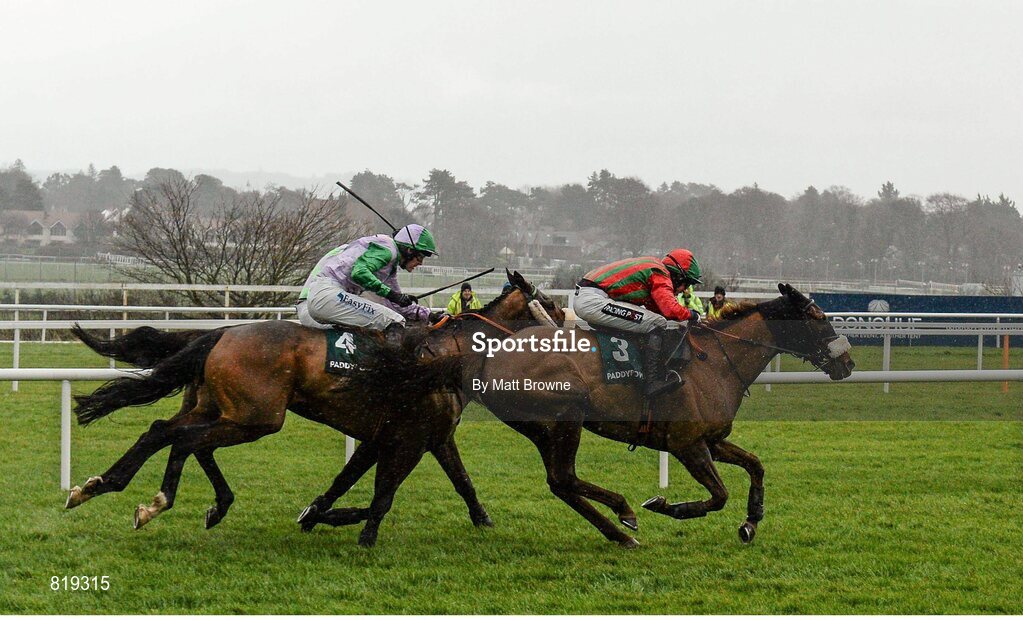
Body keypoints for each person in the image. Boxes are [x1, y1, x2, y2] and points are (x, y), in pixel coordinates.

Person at [573, 249, 702, 397]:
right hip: (593, 301)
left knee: (652, 320)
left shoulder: (654, 268)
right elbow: (669, 310)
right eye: (686, 284)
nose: (684, 290)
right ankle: (651, 382)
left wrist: (681, 318)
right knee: (657, 323)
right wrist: (692, 315)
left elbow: (658, 309)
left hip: (590, 297)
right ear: (678, 276)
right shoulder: (660, 273)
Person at [296, 224, 442, 332]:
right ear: (410, 250)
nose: (421, 263)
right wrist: (392, 295)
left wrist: (428, 315)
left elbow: (396, 303)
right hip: (323, 297)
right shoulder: (388, 249)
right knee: (394, 321)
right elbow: (359, 272)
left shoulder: (387, 263)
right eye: (420, 256)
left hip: (325, 298)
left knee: (378, 322)